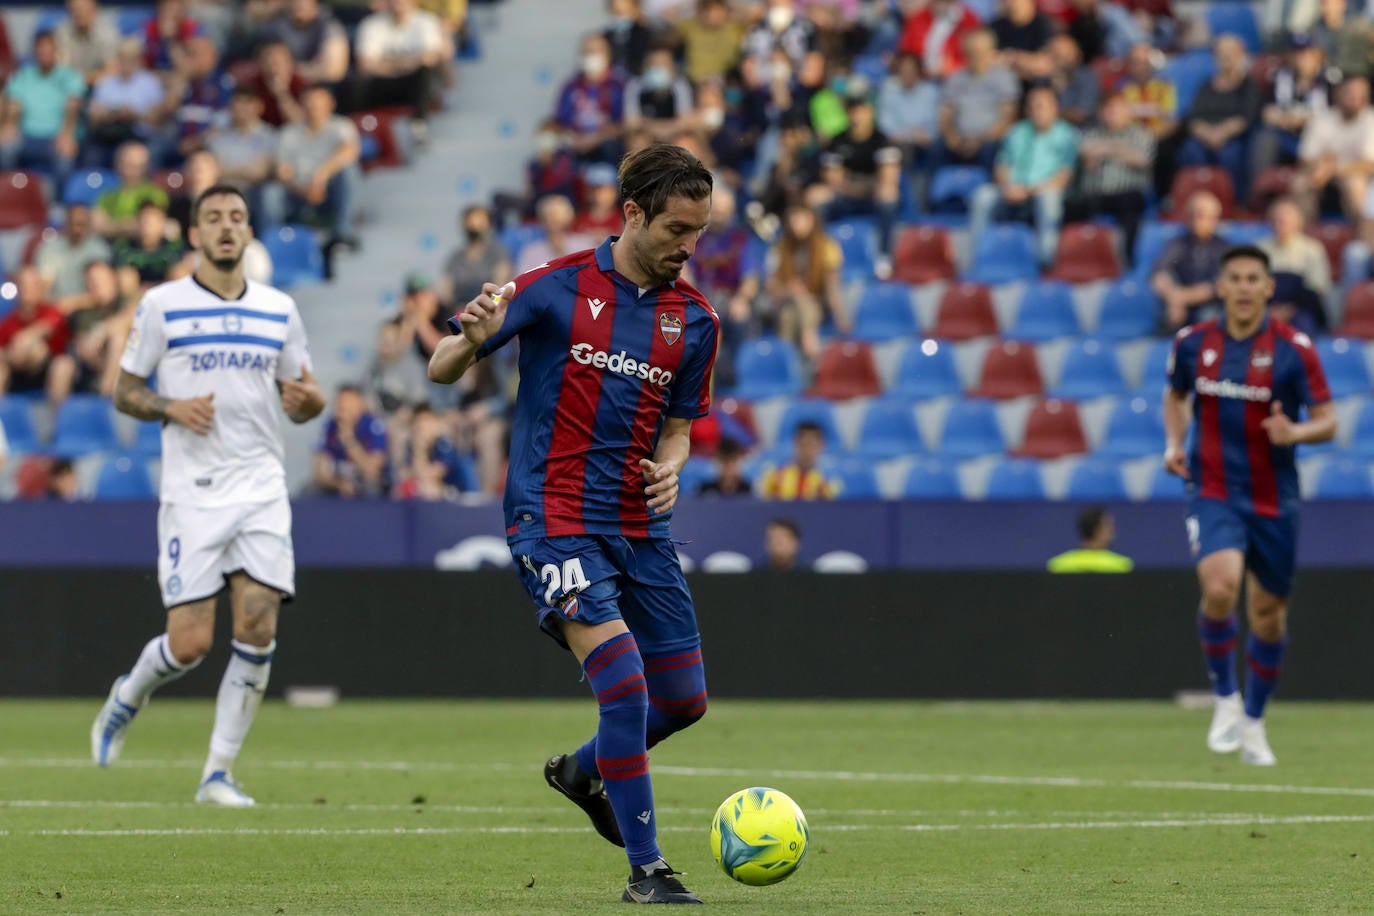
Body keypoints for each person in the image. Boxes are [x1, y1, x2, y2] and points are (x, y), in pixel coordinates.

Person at [427, 143, 718, 905]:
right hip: (552, 519)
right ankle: (647, 871)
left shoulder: (695, 320)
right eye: (677, 229)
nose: (689, 247)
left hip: (640, 526)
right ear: (631, 215)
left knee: (683, 699)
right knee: (624, 687)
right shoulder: (555, 287)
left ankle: (586, 770)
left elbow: (680, 424)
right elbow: (441, 367)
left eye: (700, 232)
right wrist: (471, 333)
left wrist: (675, 462)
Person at [90, 183, 326, 806]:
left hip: (260, 487)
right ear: (194, 234)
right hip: (192, 493)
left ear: (250, 233)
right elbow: (125, 390)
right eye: (214, 218)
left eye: (238, 218)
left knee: (257, 624)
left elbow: (306, 396)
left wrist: (311, 402)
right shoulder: (162, 305)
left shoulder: (280, 309)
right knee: (190, 644)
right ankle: (129, 694)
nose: (227, 227)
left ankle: (216, 774)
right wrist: (170, 406)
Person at [1164, 244, 1335, 767]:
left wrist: (1296, 431)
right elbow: (1175, 396)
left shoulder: (1294, 348)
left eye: (1252, 279)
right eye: (1233, 277)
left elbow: (1329, 420)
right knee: (1219, 588)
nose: (1242, 287)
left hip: (1273, 498)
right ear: (1220, 287)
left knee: (1267, 615)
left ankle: (1255, 722)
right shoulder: (1193, 344)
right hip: (1213, 487)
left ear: (1267, 287)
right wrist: (1174, 444)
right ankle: (1224, 697)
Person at [969, 85, 1079, 268]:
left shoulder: (1067, 134)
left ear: (1055, 108)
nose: (1037, 110)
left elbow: (1064, 177)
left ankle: (1046, 261)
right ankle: (977, 257)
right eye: (1033, 106)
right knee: (982, 195)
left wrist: (1032, 190)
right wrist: (1007, 187)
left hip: (1043, 191)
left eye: (1042, 106)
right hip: (1012, 190)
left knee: (1049, 198)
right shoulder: (1016, 131)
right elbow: (1002, 165)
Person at [0, 31, 85, 188]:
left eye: (48, 49)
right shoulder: (24, 76)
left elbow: (73, 107)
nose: (44, 53)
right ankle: (8, 196)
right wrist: (9, 126)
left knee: (64, 159)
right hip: (26, 136)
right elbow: (14, 105)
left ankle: (59, 205)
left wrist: (66, 133)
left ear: (56, 51)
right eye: (40, 50)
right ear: (34, 52)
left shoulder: (69, 76)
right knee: (5, 148)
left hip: (56, 137)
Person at [1151, 190, 1230, 332]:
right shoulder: (1176, 244)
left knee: (1209, 317)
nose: (1195, 220)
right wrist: (1173, 297)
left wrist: (1181, 298)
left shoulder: (1224, 248)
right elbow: (1159, 273)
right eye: (1191, 214)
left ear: (1214, 219)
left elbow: (1218, 285)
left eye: (1201, 215)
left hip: (1209, 308)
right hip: (1176, 307)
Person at [0, 266, 78, 405]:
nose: (28, 289)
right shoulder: (7, 322)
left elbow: (46, 328)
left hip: (47, 373)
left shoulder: (53, 312)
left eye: (33, 284)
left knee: (63, 365)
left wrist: (26, 342)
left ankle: (59, 422)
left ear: (41, 288)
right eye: (24, 284)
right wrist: (12, 356)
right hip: (16, 373)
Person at [312, 383, 391, 497]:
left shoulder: (373, 425)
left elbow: (372, 472)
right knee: (311, 490)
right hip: (339, 482)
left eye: (348, 404)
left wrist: (349, 441)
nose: (342, 408)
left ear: (360, 405)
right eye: (339, 403)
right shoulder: (330, 425)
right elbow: (319, 472)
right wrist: (339, 484)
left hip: (366, 483)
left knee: (371, 488)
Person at [758, 420, 838, 500]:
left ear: (821, 446)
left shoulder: (827, 481)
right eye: (803, 444)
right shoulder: (775, 476)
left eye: (811, 445)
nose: (807, 450)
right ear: (795, 444)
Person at [1046, 506, 1134, 572]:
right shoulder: (1122, 566)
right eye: (1109, 526)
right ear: (1097, 530)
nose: (1113, 532)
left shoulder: (1057, 565)